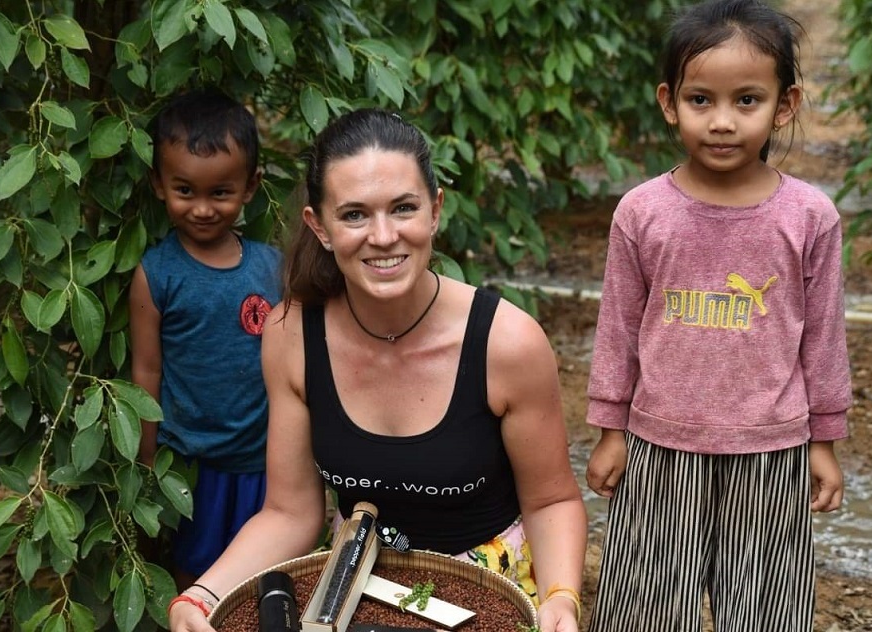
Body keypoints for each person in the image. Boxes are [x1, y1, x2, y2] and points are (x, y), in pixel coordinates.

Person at [168, 109, 587, 632]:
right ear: (319, 227)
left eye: (403, 208)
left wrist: (561, 598)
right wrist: (200, 598)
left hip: (488, 596)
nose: (384, 236)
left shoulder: (507, 343)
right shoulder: (292, 334)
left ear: (435, 211)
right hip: (351, 589)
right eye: (354, 215)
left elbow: (551, 500)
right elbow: (290, 512)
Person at [584, 0, 850, 630]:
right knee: (645, 605)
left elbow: (823, 339)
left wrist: (825, 440)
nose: (722, 122)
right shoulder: (642, 212)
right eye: (700, 100)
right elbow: (618, 328)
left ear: (784, 105)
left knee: (764, 608)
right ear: (669, 102)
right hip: (658, 446)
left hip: (771, 449)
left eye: (747, 100)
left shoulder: (808, 217)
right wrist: (610, 429)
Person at [130, 87, 283, 590]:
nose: (201, 208)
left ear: (250, 186)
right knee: (194, 568)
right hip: (193, 463)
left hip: (264, 459)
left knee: (265, 571)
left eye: (220, 192)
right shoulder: (157, 275)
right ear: (159, 184)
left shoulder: (271, 268)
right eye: (185, 190)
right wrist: (148, 459)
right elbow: (147, 370)